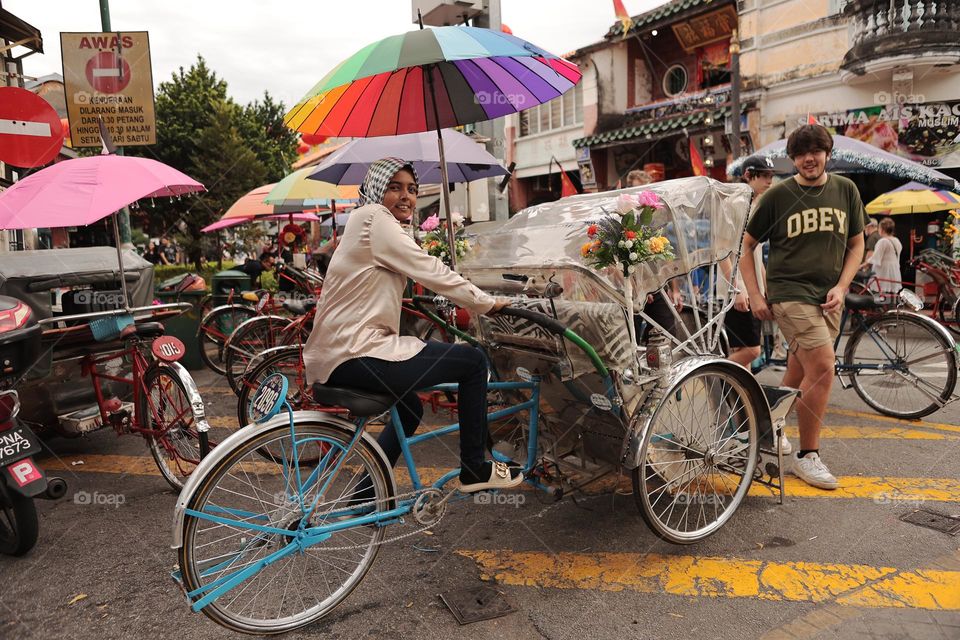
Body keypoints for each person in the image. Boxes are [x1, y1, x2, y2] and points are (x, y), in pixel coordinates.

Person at [302, 157, 522, 493]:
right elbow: (430, 269)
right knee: (474, 362)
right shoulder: (375, 218)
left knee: (409, 407)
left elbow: (380, 280)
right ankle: (475, 469)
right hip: (356, 353)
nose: (406, 196)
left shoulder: (365, 223)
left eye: (412, 189)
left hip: (337, 355)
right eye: (395, 187)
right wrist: (487, 304)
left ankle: (365, 494)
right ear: (376, 189)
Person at [740, 124, 865, 490]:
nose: (809, 158)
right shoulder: (778, 196)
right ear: (792, 159)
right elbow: (745, 245)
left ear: (828, 153)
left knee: (799, 370)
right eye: (800, 153)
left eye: (816, 151)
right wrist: (757, 294)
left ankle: (767, 427)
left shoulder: (846, 190)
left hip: (828, 297)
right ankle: (808, 456)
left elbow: (857, 244)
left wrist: (842, 287)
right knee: (824, 367)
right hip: (790, 293)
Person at [867, 217, 902, 294]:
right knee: (891, 297)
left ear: (882, 229)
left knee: (879, 295)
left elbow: (875, 259)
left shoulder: (882, 241)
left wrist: (863, 265)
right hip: (894, 271)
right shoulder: (897, 241)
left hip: (883, 272)